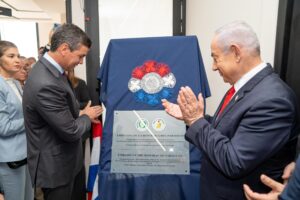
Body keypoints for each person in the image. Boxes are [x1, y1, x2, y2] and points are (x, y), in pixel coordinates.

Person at [162, 21, 299, 199]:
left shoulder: (274, 100)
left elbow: (233, 162)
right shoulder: (246, 87)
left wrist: (196, 121)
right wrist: (195, 119)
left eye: (215, 57)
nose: (213, 66)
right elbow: (230, 128)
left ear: (235, 52)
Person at [22, 24, 103, 200]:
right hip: (56, 169)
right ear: (64, 48)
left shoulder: (54, 72)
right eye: (80, 56)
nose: (81, 62)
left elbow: (63, 111)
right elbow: (71, 130)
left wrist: (80, 113)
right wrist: (86, 116)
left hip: (67, 162)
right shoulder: (45, 82)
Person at [0, 41, 34, 200]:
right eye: (11, 56)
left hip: (25, 152)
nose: (17, 60)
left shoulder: (15, 83)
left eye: (18, 56)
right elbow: (3, 127)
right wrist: (32, 119)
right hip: (10, 158)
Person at [67, 69, 91, 200]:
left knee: (78, 168)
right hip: (63, 131)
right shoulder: (54, 85)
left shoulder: (80, 83)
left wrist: (73, 108)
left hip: (79, 131)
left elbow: (88, 103)